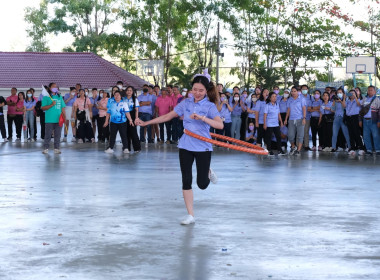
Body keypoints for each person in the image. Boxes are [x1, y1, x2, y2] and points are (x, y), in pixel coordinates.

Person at [136, 69, 223, 225]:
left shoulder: (210, 106)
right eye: (195, 89)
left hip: (203, 146)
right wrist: (146, 123)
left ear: (206, 91)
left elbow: (220, 125)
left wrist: (202, 118)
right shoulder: (186, 103)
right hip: (185, 145)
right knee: (186, 180)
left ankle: (208, 171)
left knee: (202, 184)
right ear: (191, 89)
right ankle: (190, 214)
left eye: (201, 90)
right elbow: (168, 116)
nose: (197, 93)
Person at [41, 83, 66, 154]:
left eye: (56, 86)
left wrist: (64, 116)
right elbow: (43, 108)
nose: (55, 87)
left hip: (59, 119)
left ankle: (56, 148)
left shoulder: (59, 96)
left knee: (58, 135)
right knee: (48, 134)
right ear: (49, 88)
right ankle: (46, 148)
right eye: (53, 86)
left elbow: (63, 107)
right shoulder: (46, 97)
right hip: (49, 119)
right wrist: (51, 104)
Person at [284, 86, 306, 155]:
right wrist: (286, 119)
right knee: (290, 135)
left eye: (295, 91)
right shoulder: (289, 99)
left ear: (297, 91)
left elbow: (304, 109)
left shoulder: (302, 99)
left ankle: (298, 150)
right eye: (292, 91)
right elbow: (288, 110)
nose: (293, 93)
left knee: (300, 135)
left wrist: (304, 118)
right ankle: (293, 146)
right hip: (291, 119)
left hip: (300, 119)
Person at [360, 85, 380, 155]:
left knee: (375, 135)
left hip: (373, 120)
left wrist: (379, 121)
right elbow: (361, 110)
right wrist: (360, 120)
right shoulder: (364, 99)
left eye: (371, 90)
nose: (369, 91)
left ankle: (378, 150)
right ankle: (369, 149)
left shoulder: (377, 99)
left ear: (374, 91)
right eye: (368, 90)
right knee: (366, 136)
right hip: (365, 120)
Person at [330, 88, 351, 153]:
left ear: (343, 93)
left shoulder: (346, 99)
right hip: (336, 118)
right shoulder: (336, 101)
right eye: (338, 93)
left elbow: (345, 106)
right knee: (334, 133)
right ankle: (333, 147)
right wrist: (334, 100)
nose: (339, 94)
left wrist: (343, 99)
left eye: (340, 92)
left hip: (343, 118)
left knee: (346, 133)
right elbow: (332, 109)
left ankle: (350, 146)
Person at [345, 89, 365, 155]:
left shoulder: (358, 100)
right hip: (348, 117)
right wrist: (344, 98)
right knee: (350, 134)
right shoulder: (347, 101)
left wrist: (355, 97)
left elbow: (359, 105)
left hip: (355, 117)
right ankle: (352, 148)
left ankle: (361, 148)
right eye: (350, 93)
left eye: (353, 93)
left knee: (356, 133)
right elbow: (344, 106)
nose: (351, 94)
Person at [124, 86, 141, 153]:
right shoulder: (123, 99)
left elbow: (137, 110)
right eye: (128, 90)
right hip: (125, 117)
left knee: (133, 133)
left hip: (133, 116)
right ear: (126, 91)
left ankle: (137, 148)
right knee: (126, 133)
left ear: (132, 92)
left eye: (130, 90)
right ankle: (127, 148)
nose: (129, 92)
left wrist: (136, 118)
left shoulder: (135, 99)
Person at [301, 85, 312, 150]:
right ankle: (299, 145)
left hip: (308, 117)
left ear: (307, 90)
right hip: (300, 117)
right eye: (303, 89)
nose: (304, 90)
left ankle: (306, 145)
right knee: (300, 132)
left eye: (305, 89)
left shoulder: (310, 97)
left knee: (306, 131)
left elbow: (311, 107)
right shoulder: (299, 97)